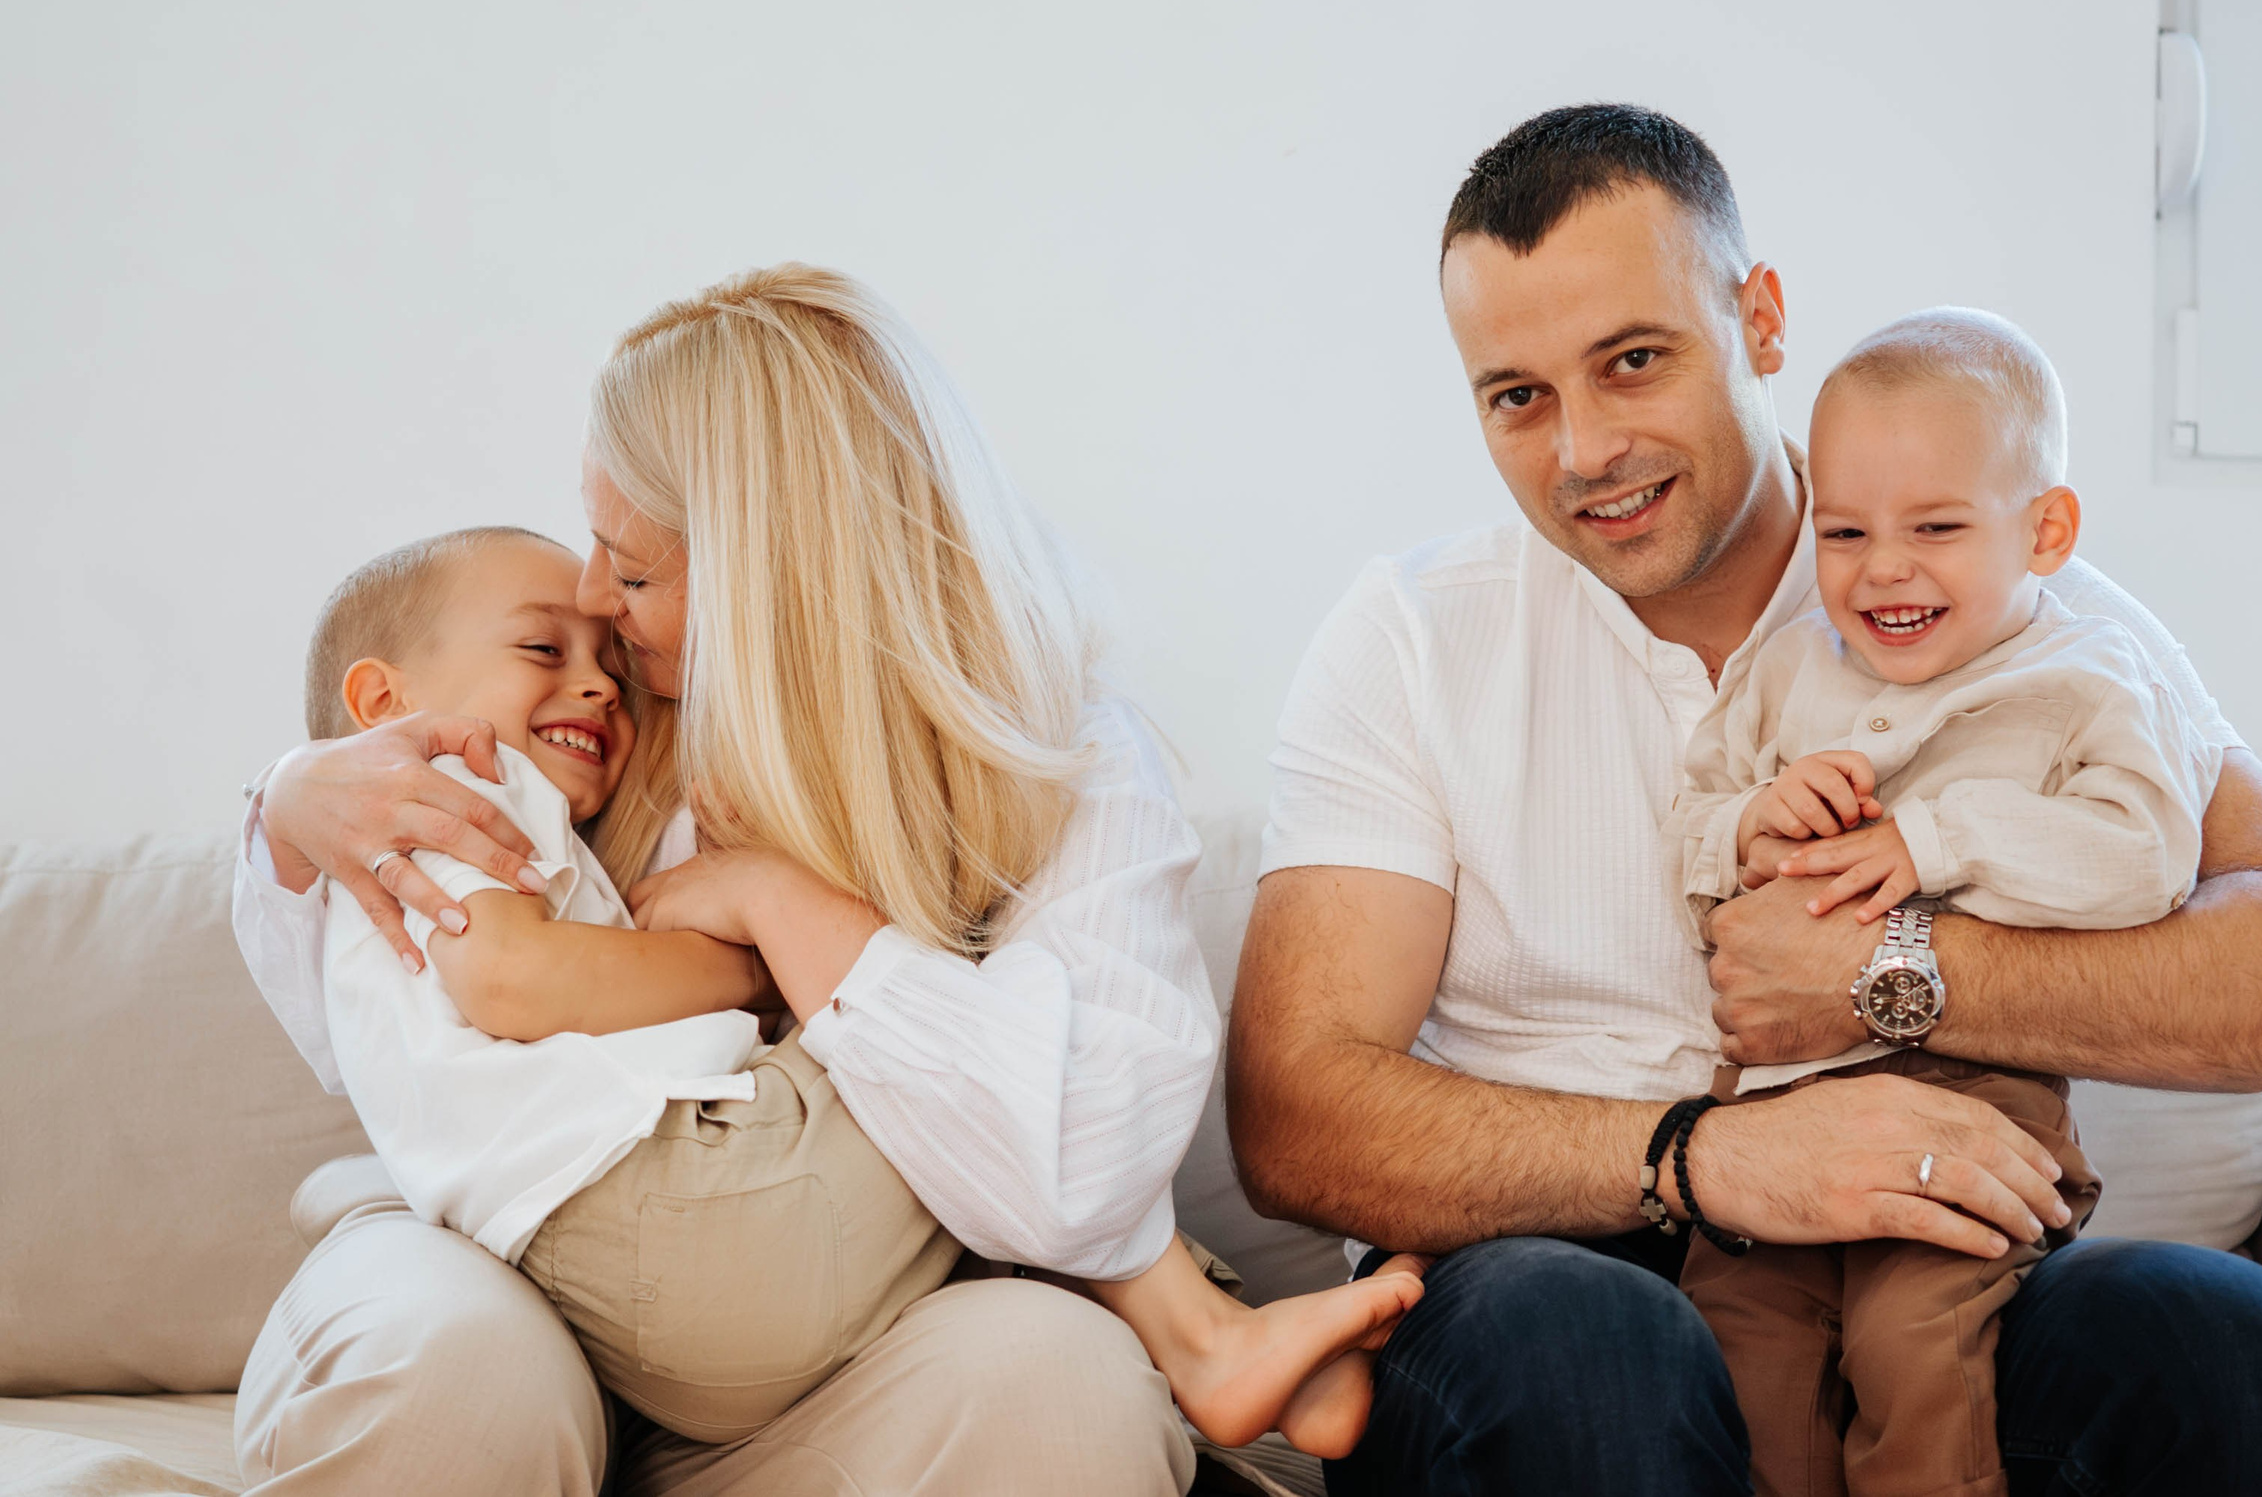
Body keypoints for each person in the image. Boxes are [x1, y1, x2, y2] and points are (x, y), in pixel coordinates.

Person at [1225, 104, 2262, 1496]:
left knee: (2227, 1345)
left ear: (1762, 320)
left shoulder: (2011, 608)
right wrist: (1707, 1157)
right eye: (1518, 396)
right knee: (1585, 1347)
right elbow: (1294, 1112)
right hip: (1564, 1268)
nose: (1583, 449)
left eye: (1635, 361)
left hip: (1934, 1243)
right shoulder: (1416, 637)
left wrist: (1892, 977)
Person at [231, 266, 1230, 1495]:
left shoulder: (1058, 768)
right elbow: (381, 1004)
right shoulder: (582, 727)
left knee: (1064, 1387)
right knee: (455, 1369)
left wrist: (791, 911)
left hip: (807, 1346)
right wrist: (291, 804)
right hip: (494, 1254)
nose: (593, 603)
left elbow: (1077, 1175)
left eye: (633, 573)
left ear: (776, 574)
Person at [297, 522, 1421, 1456]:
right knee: (976, 1056)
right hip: (657, 1213)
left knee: (977, 1091)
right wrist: (765, 942)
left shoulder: (514, 803)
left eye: (615, 618)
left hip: (654, 1246)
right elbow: (513, 976)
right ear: (380, 697)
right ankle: (1201, 1330)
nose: (599, 668)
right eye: (545, 647)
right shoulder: (437, 794)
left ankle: (1210, 1338)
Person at [1666, 312, 2222, 1497]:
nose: (1883, 568)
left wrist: (1938, 836)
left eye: (1936, 527)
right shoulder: (1785, 668)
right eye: (1846, 530)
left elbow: (2144, 858)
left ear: (2046, 530)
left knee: (1911, 1349)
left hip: (1969, 1106)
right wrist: (1752, 822)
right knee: (1744, 1362)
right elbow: (1695, 828)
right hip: (1771, 1113)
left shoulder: (2088, 680)